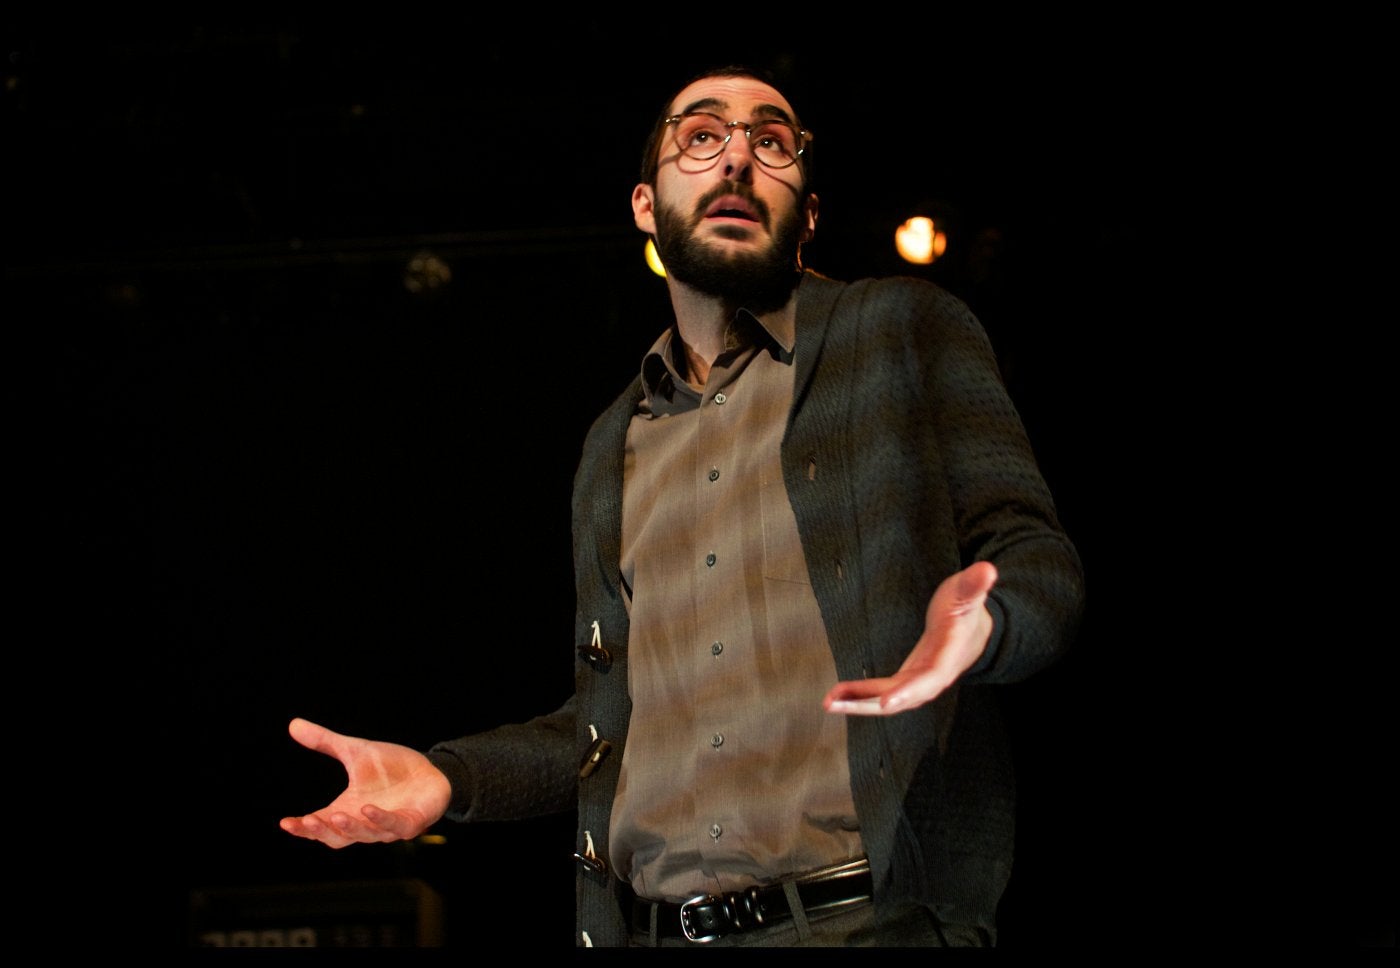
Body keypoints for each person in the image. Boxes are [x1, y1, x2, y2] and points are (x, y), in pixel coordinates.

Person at [279, 64, 1085, 948]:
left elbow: (1037, 561)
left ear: (809, 213)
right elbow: (606, 727)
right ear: (645, 204)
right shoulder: (611, 444)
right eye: (700, 137)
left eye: (771, 142)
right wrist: (450, 779)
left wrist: (987, 624)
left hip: (869, 924)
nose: (736, 158)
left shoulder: (900, 330)